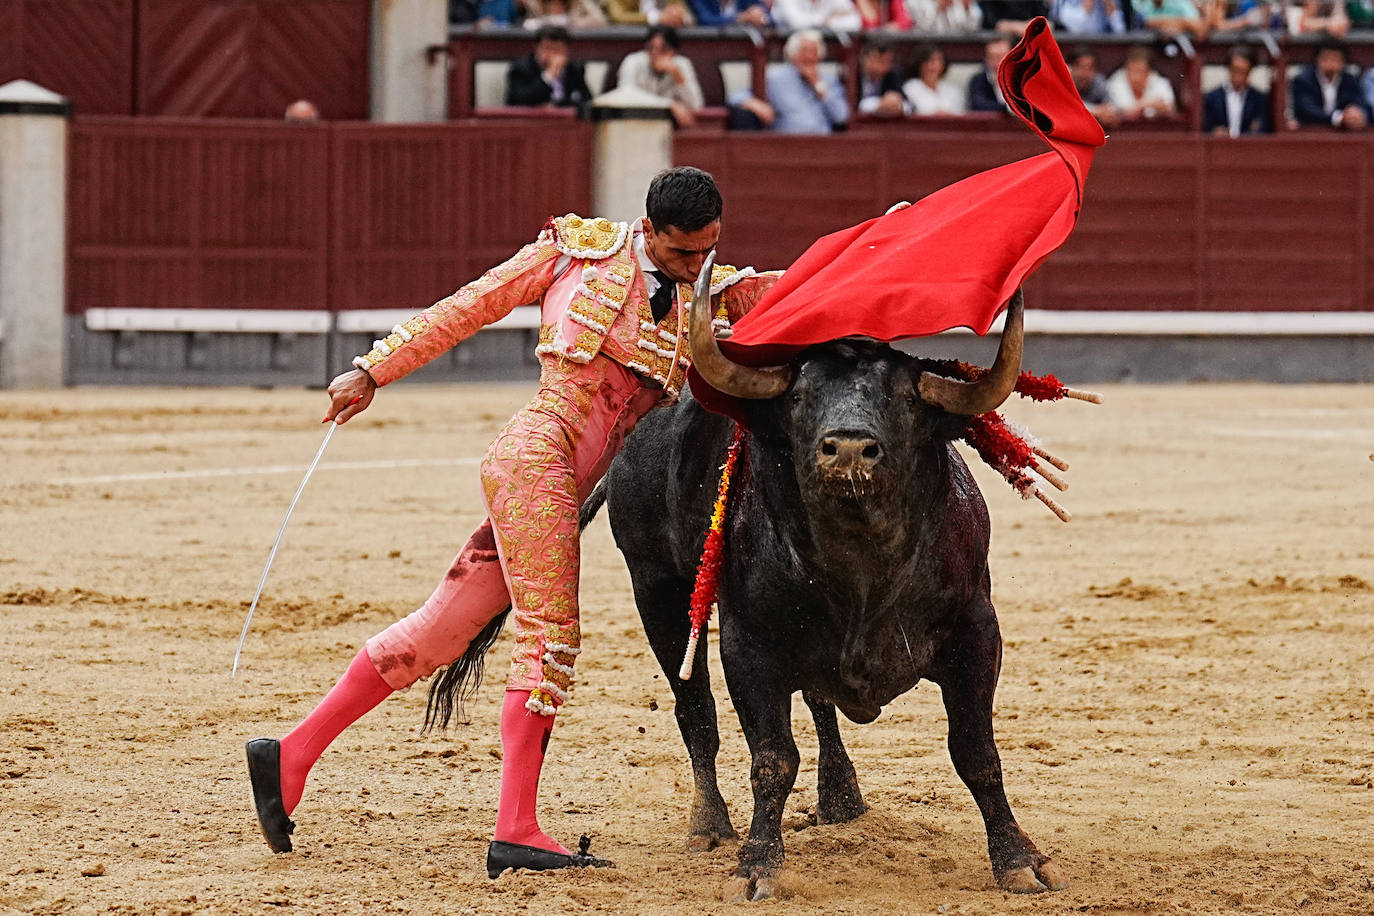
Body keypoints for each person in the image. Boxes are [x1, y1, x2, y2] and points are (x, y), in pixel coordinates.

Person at [244, 167, 782, 877]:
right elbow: (469, 306)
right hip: (537, 457)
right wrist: (374, 370)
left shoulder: (712, 291)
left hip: (562, 476)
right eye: (684, 254)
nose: (695, 267)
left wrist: (888, 242)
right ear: (649, 230)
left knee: (437, 633)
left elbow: (799, 286)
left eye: (708, 251)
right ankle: (517, 828)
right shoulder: (575, 254)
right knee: (552, 639)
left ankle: (290, 756)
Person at [729, 30, 850, 134]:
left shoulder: (829, 80)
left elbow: (841, 116)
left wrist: (818, 86)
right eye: (804, 51)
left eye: (814, 52)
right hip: (785, 145)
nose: (809, 56)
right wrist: (754, 104)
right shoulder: (776, 78)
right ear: (792, 55)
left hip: (824, 144)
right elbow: (736, 97)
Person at [616, 26, 705, 127]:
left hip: (668, 124)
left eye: (662, 49)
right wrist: (669, 105)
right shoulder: (633, 62)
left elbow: (696, 105)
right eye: (650, 48)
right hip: (635, 121)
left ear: (673, 52)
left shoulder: (681, 65)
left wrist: (678, 76)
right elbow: (625, 95)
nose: (655, 53)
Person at [505, 25, 593, 109]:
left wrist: (558, 106)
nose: (552, 54)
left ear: (566, 50)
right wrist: (549, 75)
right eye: (547, 48)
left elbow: (587, 101)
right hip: (528, 121)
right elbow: (517, 102)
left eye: (557, 49)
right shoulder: (520, 68)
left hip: (564, 121)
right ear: (537, 48)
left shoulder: (575, 69)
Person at [1290, 37, 1369, 129]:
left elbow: (1359, 103)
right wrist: (1339, 117)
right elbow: (1307, 110)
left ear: (1343, 62)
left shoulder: (1350, 81)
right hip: (1311, 130)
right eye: (1326, 59)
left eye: (1336, 59)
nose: (1331, 64)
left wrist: (1356, 114)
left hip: (1343, 133)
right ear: (1317, 59)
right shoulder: (1303, 80)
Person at [1202, 46, 1271, 135]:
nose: (1239, 76)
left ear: (1250, 71)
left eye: (1244, 72)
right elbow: (1206, 128)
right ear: (1229, 69)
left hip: (1249, 147)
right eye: (1236, 70)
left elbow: (1262, 130)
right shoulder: (1211, 98)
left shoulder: (1259, 99)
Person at [1106, 45, 1178, 118]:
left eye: (1140, 71)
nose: (1135, 77)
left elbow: (1170, 109)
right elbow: (1121, 112)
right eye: (1131, 70)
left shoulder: (1159, 82)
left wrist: (1163, 109)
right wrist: (1147, 104)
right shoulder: (1116, 82)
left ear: (1149, 72)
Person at [903, 44, 967, 115]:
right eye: (928, 61)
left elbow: (960, 115)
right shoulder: (910, 88)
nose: (932, 66)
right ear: (919, 64)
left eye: (938, 61)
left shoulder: (954, 91)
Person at [1068, 45, 1122, 127]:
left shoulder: (1098, 81)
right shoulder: (1062, 81)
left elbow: (1113, 106)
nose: (1085, 74)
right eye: (1081, 67)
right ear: (1071, 68)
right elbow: (1067, 106)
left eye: (1090, 68)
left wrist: (1107, 113)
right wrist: (1095, 111)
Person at [858, 35, 908, 117]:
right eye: (876, 59)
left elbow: (907, 106)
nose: (880, 67)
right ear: (863, 58)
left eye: (886, 62)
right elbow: (849, 109)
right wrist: (879, 104)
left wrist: (898, 104)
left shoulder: (893, 75)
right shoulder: (852, 75)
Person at [968, 36, 1012, 112]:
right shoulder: (978, 80)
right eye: (993, 57)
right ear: (986, 58)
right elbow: (978, 105)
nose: (998, 62)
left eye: (1001, 56)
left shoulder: (1020, 79)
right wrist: (1007, 109)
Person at [770, 0, 865, 30]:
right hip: (781, 58)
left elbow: (855, 22)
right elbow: (797, 23)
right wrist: (828, 18)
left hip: (825, 54)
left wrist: (829, 23)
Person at [1049, 0, 1130, 31]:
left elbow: (1120, 30)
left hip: (1104, 47)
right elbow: (1076, 29)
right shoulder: (1064, 2)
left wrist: (1109, 5)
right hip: (1075, 49)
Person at [906, 0, 984, 32]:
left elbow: (972, 27)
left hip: (955, 46)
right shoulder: (915, 2)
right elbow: (923, 27)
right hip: (923, 46)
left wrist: (966, 9)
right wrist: (939, 9)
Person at [687, 0, 771, 25]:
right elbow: (704, 20)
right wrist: (741, 18)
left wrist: (761, 16)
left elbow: (768, 16)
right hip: (706, 49)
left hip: (741, 50)